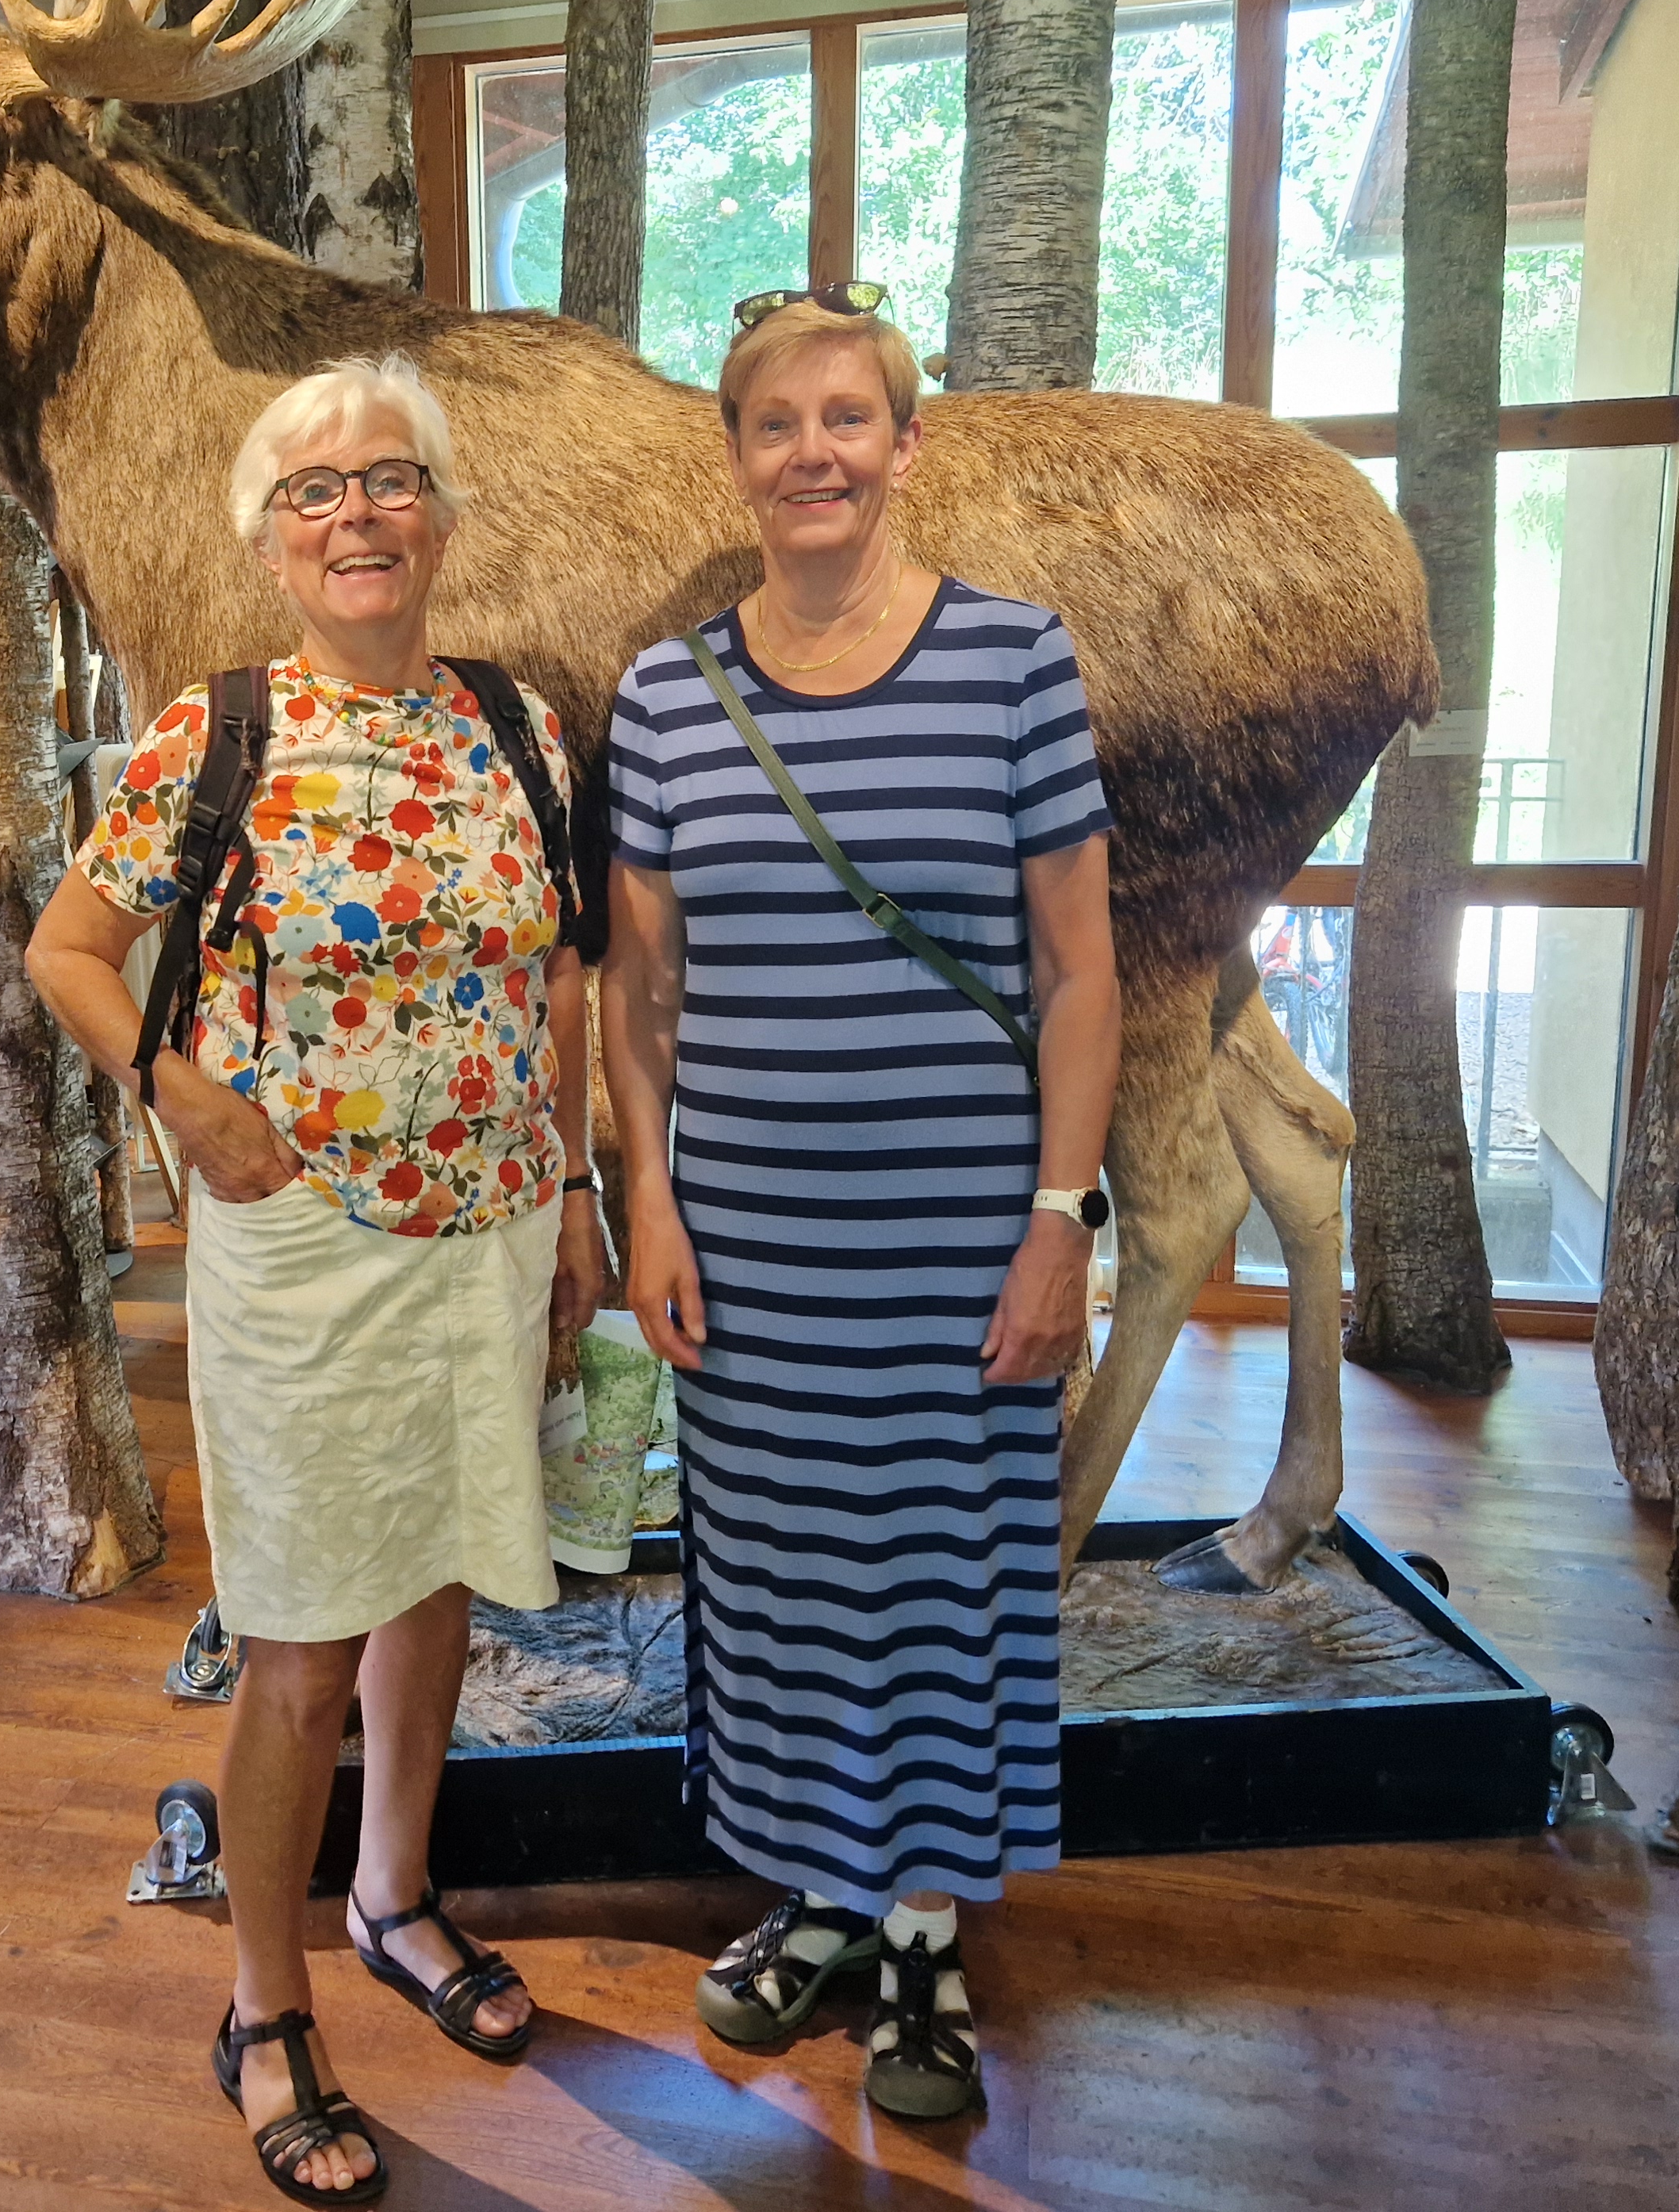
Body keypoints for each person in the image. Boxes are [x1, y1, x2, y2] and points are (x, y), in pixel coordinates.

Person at [28, 355, 606, 2206]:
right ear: (270, 541)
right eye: (314, 491)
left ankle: (392, 1895)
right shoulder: (211, 736)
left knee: (435, 1578)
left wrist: (575, 1192)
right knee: (299, 1637)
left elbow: (559, 977)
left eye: (387, 479)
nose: (356, 512)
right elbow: (66, 949)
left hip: (490, 1225)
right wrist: (177, 1090)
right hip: (303, 1244)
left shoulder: (517, 727)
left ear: (437, 516)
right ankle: (261, 2003)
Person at [599, 286, 1120, 2121]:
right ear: (735, 455)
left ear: (904, 445)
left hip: (957, 1237)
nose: (810, 452)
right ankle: (822, 1892)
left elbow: (1077, 970)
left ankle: (920, 1937)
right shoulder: (665, 696)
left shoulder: (1013, 662)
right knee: (780, 1580)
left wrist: (1058, 1216)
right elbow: (637, 992)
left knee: (940, 1579)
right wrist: (648, 1205)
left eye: (845, 418)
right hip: (747, 1243)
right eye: (774, 422)